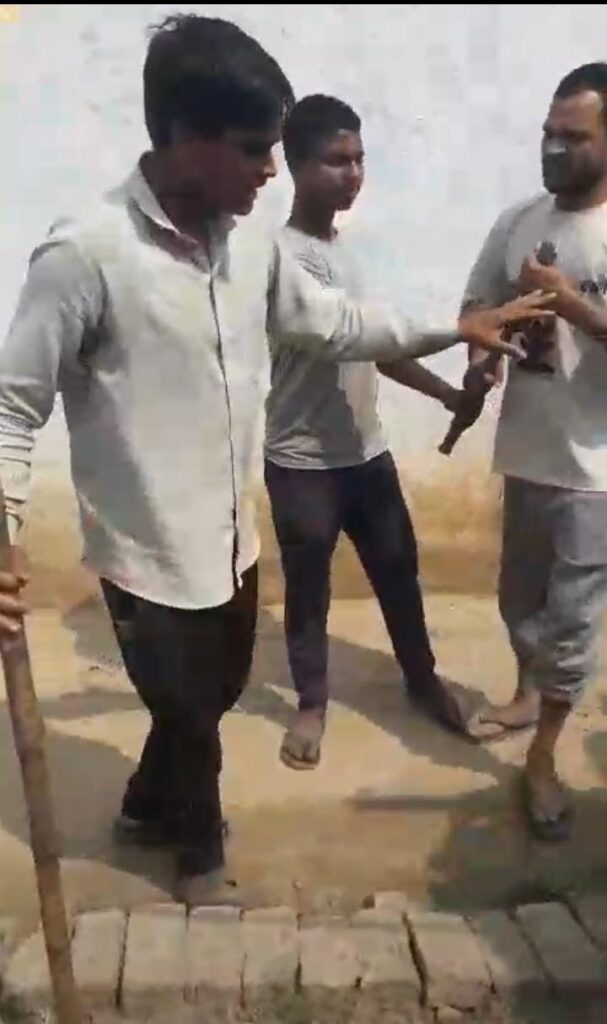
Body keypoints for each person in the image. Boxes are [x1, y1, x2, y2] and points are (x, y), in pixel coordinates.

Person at [0, 12, 550, 905]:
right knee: (191, 713)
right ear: (185, 137)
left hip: (232, 538)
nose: (271, 169)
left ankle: (143, 807)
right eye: (255, 149)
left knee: (212, 692)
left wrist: (456, 327)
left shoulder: (249, 242)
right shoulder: (86, 255)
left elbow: (333, 323)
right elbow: (11, 404)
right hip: (145, 555)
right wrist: (7, 528)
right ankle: (198, 859)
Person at [265, 94, 476, 769]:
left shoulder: (348, 253)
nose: (353, 174)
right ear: (295, 165)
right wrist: (462, 329)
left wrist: (446, 393)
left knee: (397, 572)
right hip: (301, 463)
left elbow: (377, 345)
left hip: (366, 454)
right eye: (336, 161)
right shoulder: (279, 259)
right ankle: (311, 703)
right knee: (308, 591)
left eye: (359, 159)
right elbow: (344, 336)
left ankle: (421, 680)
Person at [463, 63, 607, 840]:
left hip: (596, 470)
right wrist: (482, 353)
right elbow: (477, 302)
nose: (552, 148)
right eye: (547, 134)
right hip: (525, 452)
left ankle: (543, 756)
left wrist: (569, 301)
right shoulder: (518, 220)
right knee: (517, 601)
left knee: (570, 621)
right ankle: (526, 696)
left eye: (572, 137)